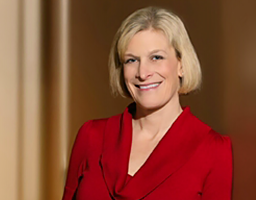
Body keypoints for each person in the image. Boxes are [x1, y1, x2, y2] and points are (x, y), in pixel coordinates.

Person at [62, 6, 233, 200]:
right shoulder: (91, 136)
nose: (142, 73)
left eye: (156, 57)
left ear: (182, 65)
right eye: (131, 60)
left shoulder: (213, 150)